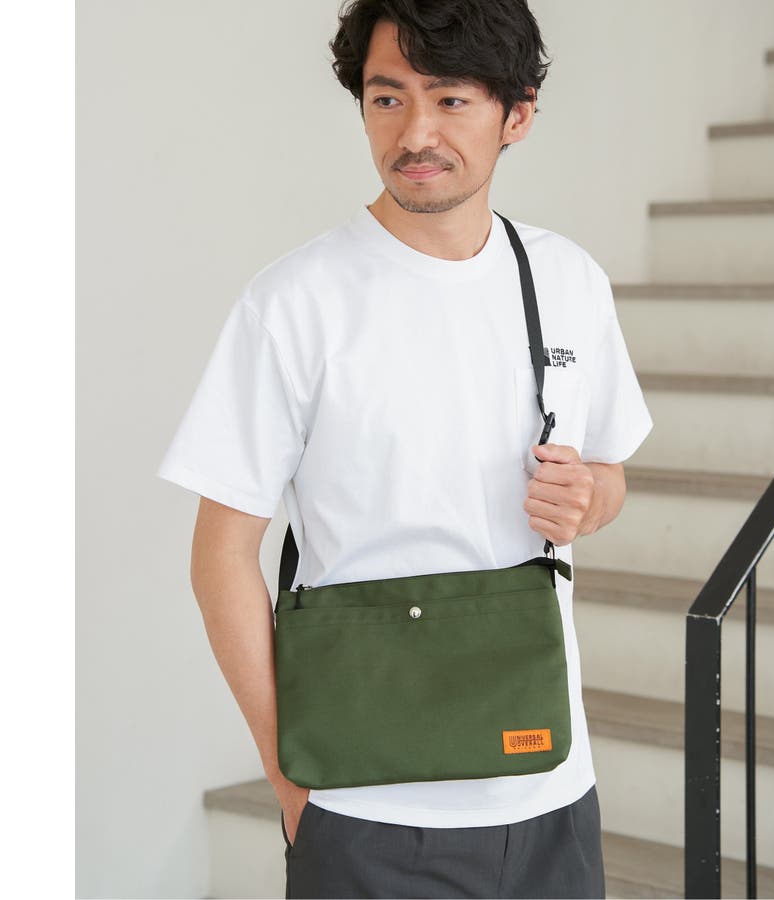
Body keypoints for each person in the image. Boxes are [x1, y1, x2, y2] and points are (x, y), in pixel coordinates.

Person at [157, 0, 653, 897]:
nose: (415, 133)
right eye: (388, 99)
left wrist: (587, 498)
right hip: (364, 813)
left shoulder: (569, 281)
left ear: (518, 114)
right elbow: (220, 557)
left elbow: (609, 476)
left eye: (450, 99)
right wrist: (291, 779)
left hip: (551, 791)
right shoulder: (294, 303)